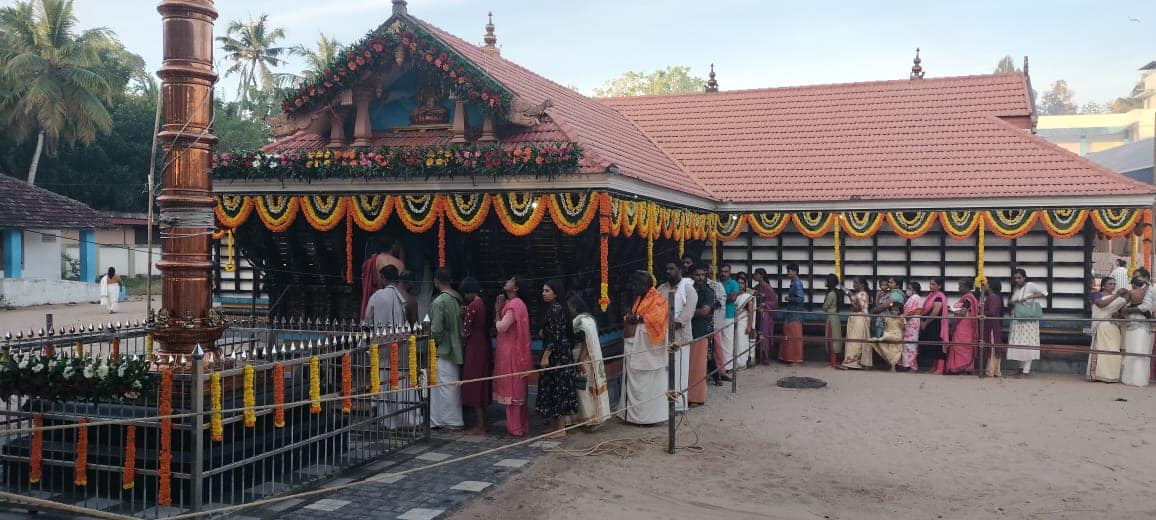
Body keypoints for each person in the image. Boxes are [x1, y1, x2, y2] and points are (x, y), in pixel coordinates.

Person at [363, 265, 416, 427]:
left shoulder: (377, 296)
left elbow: (367, 320)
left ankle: (387, 419)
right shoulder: (403, 296)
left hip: (381, 346)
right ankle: (404, 418)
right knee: (400, 379)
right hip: (399, 345)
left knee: (383, 378)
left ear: (384, 278)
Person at [620, 270, 671, 425]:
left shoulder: (658, 299)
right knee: (634, 382)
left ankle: (650, 418)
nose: (634, 288)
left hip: (648, 349)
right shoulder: (640, 298)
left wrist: (635, 318)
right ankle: (632, 416)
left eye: (636, 285)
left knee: (649, 385)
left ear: (646, 285)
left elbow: (657, 319)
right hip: (634, 345)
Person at [536, 280, 580, 437]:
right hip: (560, 353)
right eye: (543, 290)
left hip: (557, 355)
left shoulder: (555, 309)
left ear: (555, 293)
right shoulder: (557, 308)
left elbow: (555, 336)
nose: (544, 293)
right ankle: (556, 426)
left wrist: (546, 356)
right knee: (555, 388)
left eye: (547, 290)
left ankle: (560, 428)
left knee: (558, 388)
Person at [494, 274, 532, 436]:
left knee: (512, 391)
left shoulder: (513, 305)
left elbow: (502, 327)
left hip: (511, 353)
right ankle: (521, 426)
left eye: (510, 281)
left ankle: (515, 428)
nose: (506, 281)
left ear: (515, 288)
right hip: (518, 351)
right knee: (518, 390)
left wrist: (497, 312)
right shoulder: (519, 304)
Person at [657, 262, 697, 413]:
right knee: (666, 369)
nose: (668, 271)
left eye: (672, 269)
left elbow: (690, 309)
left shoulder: (688, 288)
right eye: (667, 269)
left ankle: (679, 405)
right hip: (664, 334)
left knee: (680, 369)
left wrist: (677, 322)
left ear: (680, 270)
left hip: (681, 335)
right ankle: (665, 405)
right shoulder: (661, 288)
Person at [429, 269, 464, 429]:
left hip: (443, 349)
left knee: (442, 386)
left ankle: (447, 420)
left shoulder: (439, 301)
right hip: (457, 345)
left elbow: (436, 329)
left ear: (436, 281)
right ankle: (446, 419)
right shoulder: (458, 298)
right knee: (451, 385)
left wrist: (436, 342)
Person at [570, 293, 610, 428]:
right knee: (589, 388)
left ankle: (589, 420)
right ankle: (596, 417)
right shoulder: (590, 319)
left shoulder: (578, 321)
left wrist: (580, 360)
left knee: (583, 390)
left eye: (570, 306)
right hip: (593, 358)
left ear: (575, 307)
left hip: (583, 358)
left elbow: (584, 342)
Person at [458, 276, 491, 435]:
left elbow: (465, 331)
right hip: (483, 344)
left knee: (474, 384)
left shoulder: (472, 306)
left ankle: (480, 424)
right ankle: (483, 421)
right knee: (481, 383)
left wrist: (462, 317)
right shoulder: (482, 303)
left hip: (474, 346)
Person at [1007, 269, 1047, 377]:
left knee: (1028, 342)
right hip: (1018, 319)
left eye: (1019, 277)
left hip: (1028, 321)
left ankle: (1026, 369)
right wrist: (1016, 301)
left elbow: (1045, 292)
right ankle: (1020, 368)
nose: (1017, 280)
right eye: (1015, 278)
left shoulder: (1030, 285)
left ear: (1024, 277)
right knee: (1019, 343)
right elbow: (1011, 301)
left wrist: (1030, 297)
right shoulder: (1016, 289)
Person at [1088, 276, 1127, 383]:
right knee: (1101, 352)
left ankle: (1112, 376)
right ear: (1103, 285)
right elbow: (1101, 304)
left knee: (1113, 351)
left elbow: (1121, 313)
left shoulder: (1118, 299)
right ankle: (1098, 375)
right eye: (1110, 284)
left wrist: (1117, 314)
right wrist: (1116, 295)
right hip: (1101, 326)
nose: (1112, 286)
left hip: (1113, 327)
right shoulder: (1096, 294)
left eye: (1114, 284)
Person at [689, 265, 716, 404]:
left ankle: (696, 398)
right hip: (685, 331)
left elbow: (704, 311)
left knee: (698, 366)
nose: (700, 277)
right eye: (696, 275)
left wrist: (684, 314)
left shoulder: (708, 292)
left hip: (700, 331)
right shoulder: (687, 289)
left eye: (702, 275)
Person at [1120, 275, 1153, 387]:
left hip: (1142, 325)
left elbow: (1146, 307)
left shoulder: (1150, 290)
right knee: (1131, 351)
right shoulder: (1131, 293)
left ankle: (1139, 380)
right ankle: (1128, 378)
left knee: (1140, 351)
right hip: (1131, 325)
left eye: (1140, 281)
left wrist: (1127, 310)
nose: (1137, 284)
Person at [945, 279, 979, 375]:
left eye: (961, 286)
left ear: (967, 287)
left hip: (963, 326)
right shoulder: (969, 297)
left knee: (960, 346)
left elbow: (963, 312)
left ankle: (958, 367)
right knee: (964, 346)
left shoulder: (968, 298)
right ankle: (967, 367)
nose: (959, 288)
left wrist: (952, 311)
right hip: (968, 326)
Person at [839, 277, 873, 370]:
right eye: (853, 283)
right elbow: (850, 294)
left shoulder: (862, 294)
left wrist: (851, 298)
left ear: (862, 285)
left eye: (856, 283)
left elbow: (857, 308)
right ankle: (856, 362)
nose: (854, 285)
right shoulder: (859, 294)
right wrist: (844, 289)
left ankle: (851, 363)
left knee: (854, 341)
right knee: (855, 340)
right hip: (857, 318)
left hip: (859, 318)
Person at [919, 278, 950, 375]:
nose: (931, 286)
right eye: (930, 284)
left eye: (933, 284)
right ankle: (934, 367)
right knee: (933, 346)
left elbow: (935, 313)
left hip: (937, 325)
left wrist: (925, 323)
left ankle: (940, 368)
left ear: (939, 286)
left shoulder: (939, 297)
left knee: (938, 346)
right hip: (932, 325)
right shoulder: (931, 296)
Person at [780, 263, 806, 365]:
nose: (787, 273)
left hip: (795, 314)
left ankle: (795, 359)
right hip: (791, 313)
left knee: (794, 337)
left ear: (794, 271)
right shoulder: (794, 282)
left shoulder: (797, 283)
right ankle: (789, 357)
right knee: (789, 335)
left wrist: (789, 298)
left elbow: (800, 299)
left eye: (789, 271)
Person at [753, 268, 779, 365]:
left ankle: (765, 356)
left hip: (765, 314)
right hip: (758, 313)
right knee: (757, 333)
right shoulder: (757, 287)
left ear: (761, 276)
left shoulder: (767, 287)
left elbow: (774, 302)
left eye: (756, 274)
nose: (754, 276)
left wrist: (764, 304)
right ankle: (758, 355)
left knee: (764, 334)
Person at [706, 268, 728, 383]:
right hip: (701, 323)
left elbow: (720, 302)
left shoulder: (716, 285)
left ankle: (720, 372)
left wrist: (707, 304)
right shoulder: (693, 284)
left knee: (717, 347)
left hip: (715, 321)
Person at [718, 264, 741, 375]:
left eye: (726, 271)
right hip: (717, 316)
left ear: (730, 272)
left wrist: (720, 299)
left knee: (727, 341)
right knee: (718, 342)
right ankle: (719, 365)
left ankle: (728, 366)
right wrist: (723, 298)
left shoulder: (734, 284)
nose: (723, 273)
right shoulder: (716, 283)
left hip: (729, 315)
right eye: (722, 271)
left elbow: (732, 298)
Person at [980, 279, 1005, 378]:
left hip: (992, 326)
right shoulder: (992, 297)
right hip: (991, 325)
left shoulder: (993, 298)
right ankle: (995, 371)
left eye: (986, 284)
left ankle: (991, 371)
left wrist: (981, 312)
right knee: (993, 347)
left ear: (990, 286)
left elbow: (992, 311)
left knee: (992, 347)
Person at [732, 273, 756, 368]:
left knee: (741, 343)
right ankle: (732, 364)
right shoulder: (733, 296)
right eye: (738, 283)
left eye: (742, 283)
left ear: (745, 285)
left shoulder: (747, 296)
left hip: (743, 323)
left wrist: (749, 326)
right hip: (731, 322)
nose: (740, 285)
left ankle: (741, 364)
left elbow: (750, 313)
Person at [821, 274, 844, 366]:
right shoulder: (835, 292)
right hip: (835, 317)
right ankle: (833, 362)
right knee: (834, 339)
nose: (824, 282)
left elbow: (824, 307)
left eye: (826, 280)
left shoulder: (830, 294)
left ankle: (833, 362)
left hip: (831, 318)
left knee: (831, 339)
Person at [900, 281, 923, 371]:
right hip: (910, 323)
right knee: (907, 345)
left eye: (909, 288)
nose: (907, 290)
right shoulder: (913, 298)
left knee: (911, 345)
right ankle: (907, 365)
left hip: (912, 323)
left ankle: (912, 366)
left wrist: (905, 318)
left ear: (914, 290)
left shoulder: (915, 298)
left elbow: (913, 311)